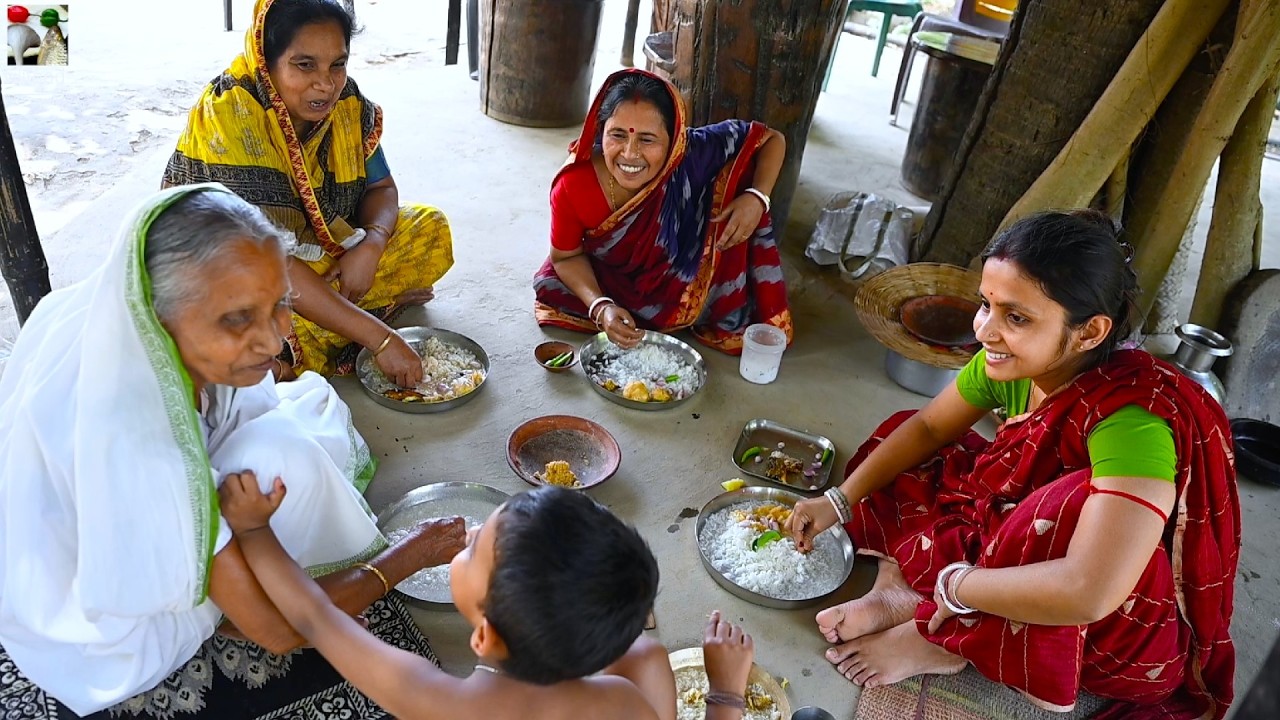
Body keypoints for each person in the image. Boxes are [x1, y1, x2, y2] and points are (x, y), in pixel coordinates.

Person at [0, 185, 462, 715]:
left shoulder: (114, 308)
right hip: (104, 641)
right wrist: (407, 555)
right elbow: (278, 631)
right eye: (238, 319)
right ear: (163, 311)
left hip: (58, 551)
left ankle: (225, 557)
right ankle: (216, 601)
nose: (274, 341)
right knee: (291, 458)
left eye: (281, 304)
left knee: (302, 419)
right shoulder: (141, 449)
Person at [787, 211, 1240, 719]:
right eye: (986, 305)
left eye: (1016, 318)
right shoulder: (1014, 362)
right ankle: (897, 591)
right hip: (1012, 525)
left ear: (1089, 332)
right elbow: (930, 429)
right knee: (902, 437)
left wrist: (955, 589)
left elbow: (1088, 591)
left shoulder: (1133, 424)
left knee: (1056, 509)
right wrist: (838, 500)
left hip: (1100, 596)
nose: (984, 331)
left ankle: (940, 638)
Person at [219, 480, 759, 720]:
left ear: (484, 636)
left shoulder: (440, 704)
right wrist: (725, 696)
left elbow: (313, 616)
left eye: (473, 549)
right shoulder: (623, 707)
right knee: (646, 656)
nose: (467, 543)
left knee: (642, 653)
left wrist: (253, 530)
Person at [163, 0, 452, 386]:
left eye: (337, 63)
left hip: (319, 255)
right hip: (229, 269)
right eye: (304, 64)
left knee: (428, 228)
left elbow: (382, 188)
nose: (326, 83)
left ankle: (309, 340)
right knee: (240, 316)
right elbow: (270, 260)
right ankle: (344, 325)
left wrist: (372, 246)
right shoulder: (231, 114)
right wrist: (381, 341)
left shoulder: (346, 103)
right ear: (267, 59)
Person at [532, 69, 792, 355]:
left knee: (742, 174)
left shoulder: (693, 153)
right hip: (615, 280)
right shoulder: (572, 185)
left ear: (675, 139)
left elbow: (771, 139)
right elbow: (565, 256)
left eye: (647, 139)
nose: (630, 154)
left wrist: (757, 197)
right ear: (599, 130)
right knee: (550, 285)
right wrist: (600, 306)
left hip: (686, 271)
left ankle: (703, 303)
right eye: (617, 135)